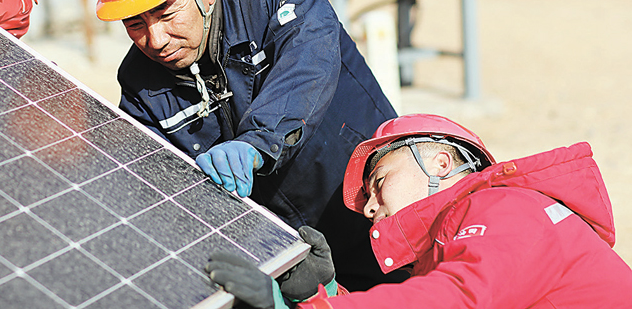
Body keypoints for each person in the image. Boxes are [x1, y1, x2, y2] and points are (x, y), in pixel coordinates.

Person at [92, 0, 401, 290]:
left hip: (372, 210)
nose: (155, 39)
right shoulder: (141, 87)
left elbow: (308, 68)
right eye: (135, 23)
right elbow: (157, 189)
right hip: (291, 256)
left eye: (167, 14)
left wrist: (256, 143)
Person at [206, 113, 632, 308]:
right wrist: (322, 294)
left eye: (379, 182)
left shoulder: (505, 206)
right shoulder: (446, 249)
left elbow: (456, 300)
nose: (370, 207)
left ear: (440, 164)